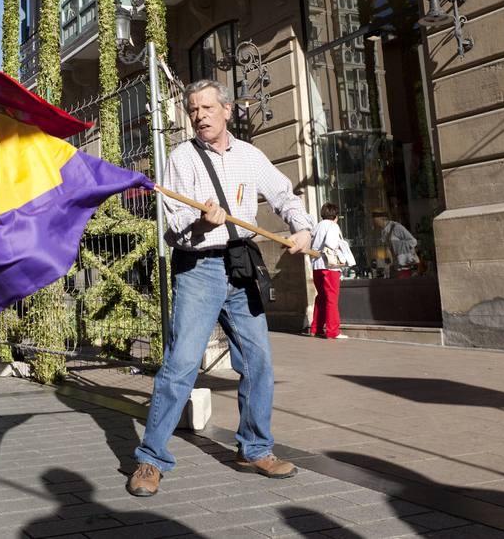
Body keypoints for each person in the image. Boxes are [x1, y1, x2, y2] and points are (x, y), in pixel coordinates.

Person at [128, 80, 313, 498]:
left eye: (208, 108)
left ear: (227, 110)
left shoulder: (250, 155)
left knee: (258, 361)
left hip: (240, 263)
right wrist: (200, 223)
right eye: (193, 110)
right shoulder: (180, 159)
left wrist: (301, 227)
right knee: (182, 365)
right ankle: (150, 460)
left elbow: (283, 193)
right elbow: (175, 229)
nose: (200, 116)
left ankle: (255, 449)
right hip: (198, 268)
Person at [310, 203, 355, 340]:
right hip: (330, 266)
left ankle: (316, 328)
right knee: (331, 299)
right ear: (335, 216)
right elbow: (331, 243)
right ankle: (333, 331)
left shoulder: (317, 226)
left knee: (321, 297)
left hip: (316, 265)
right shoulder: (333, 226)